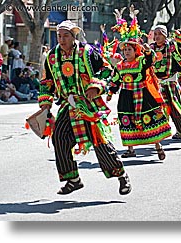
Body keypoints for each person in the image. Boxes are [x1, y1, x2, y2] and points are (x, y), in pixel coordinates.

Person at [38, 20, 131, 195]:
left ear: (74, 37)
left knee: (100, 142)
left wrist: (95, 86)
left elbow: (105, 69)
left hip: (89, 105)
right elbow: (47, 82)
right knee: (59, 138)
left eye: (66, 36)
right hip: (68, 104)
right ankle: (73, 180)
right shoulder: (52, 57)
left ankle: (121, 175)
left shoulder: (87, 52)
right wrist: (45, 105)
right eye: (59, 36)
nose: (62, 39)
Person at [106, 6, 172, 159]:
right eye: (125, 50)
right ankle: (130, 149)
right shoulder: (120, 65)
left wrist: (148, 51)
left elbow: (151, 60)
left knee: (149, 118)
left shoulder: (141, 61)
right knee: (126, 120)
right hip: (126, 96)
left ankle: (158, 146)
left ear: (135, 51)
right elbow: (115, 80)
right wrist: (110, 92)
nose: (126, 52)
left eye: (129, 49)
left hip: (144, 94)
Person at [150, 25, 181, 148]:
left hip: (171, 83)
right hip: (157, 84)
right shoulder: (152, 48)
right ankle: (157, 140)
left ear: (165, 35)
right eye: (156, 33)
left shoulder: (171, 46)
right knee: (156, 111)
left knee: (176, 110)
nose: (157, 36)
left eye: (160, 33)